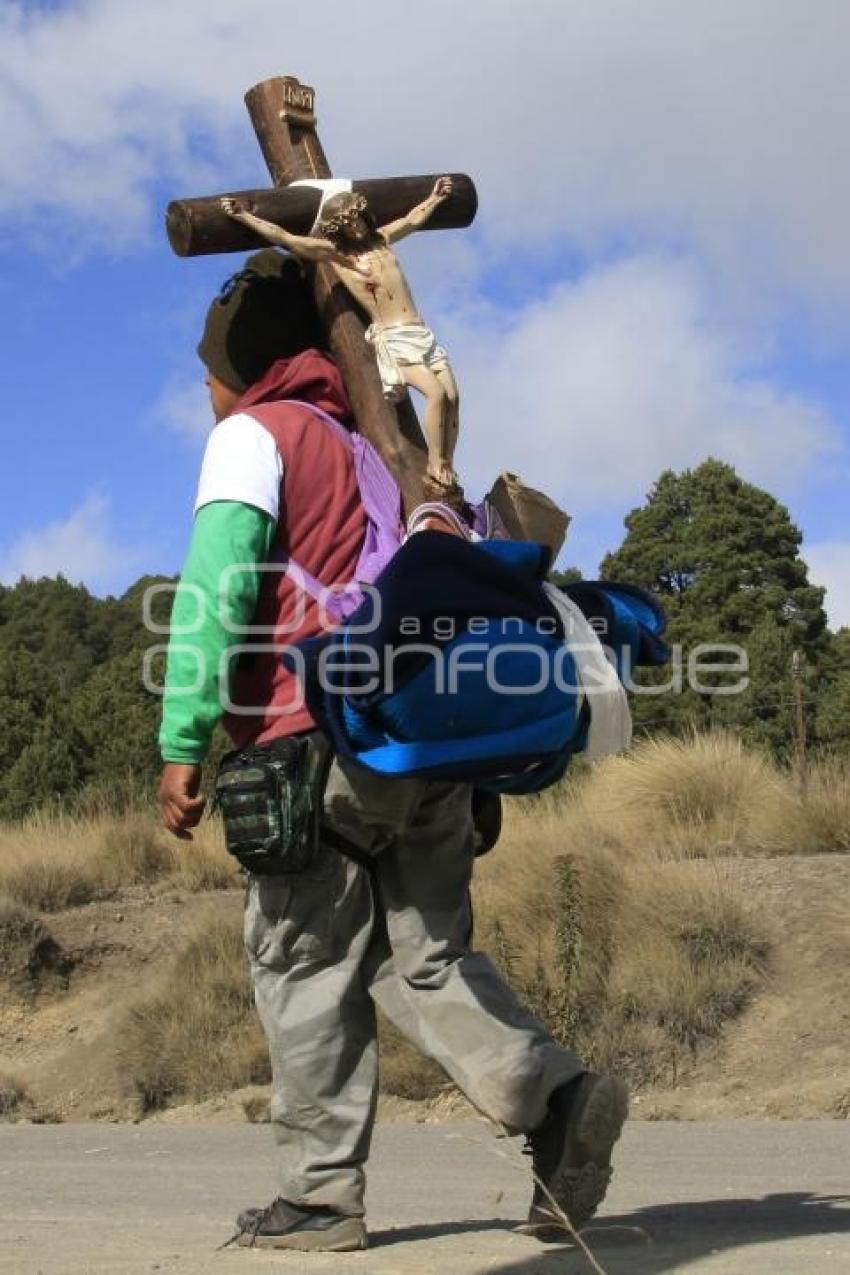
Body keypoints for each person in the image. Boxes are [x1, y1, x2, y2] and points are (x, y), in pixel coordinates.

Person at [156, 248, 628, 1254]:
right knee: (424, 959)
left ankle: (319, 1200)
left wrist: (183, 737)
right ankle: (552, 1098)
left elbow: (215, 590)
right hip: (421, 742)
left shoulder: (255, 436)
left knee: (304, 963)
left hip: (309, 743)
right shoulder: (390, 450)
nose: (202, 386)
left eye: (206, 367)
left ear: (242, 363)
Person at [220, 178, 460, 492]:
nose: (357, 228)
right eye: (348, 225)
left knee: (452, 398)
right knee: (436, 395)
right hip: (395, 338)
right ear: (339, 229)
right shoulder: (340, 256)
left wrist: (436, 197)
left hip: (420, 332)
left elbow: (413, 218)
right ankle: (435, 464)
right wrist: (244, 216)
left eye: (358, 220)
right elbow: (288, 239)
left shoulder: (382, 240)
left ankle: (446, 464)